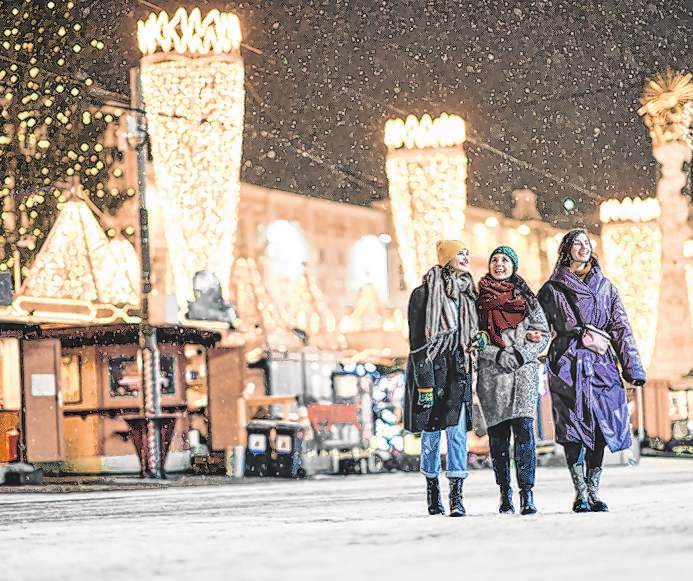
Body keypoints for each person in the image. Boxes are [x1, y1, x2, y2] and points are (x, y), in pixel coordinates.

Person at [537, 229, 646, 513]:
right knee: (572, 429)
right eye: (576, 243)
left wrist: (632, 366)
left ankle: (593, 490)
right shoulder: (552, 289)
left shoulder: (606, 287)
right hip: (568, 364)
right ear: (567, 250)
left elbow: (621, 327)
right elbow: (535, 326)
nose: (583, 247)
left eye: (586, 243)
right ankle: (580, 491)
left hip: (601, 365)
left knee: (600, 428)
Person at [404, 240, 479, 517]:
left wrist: (476, 341)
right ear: (447, 257)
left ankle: (457, 495)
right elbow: (416, 343)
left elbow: (472, 331)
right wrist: (424, 382)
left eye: (466, 252)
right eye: (460, 252)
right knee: (432, 435)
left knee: (457, 434)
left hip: (457, 370)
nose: (465, 257)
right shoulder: (423, 294)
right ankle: (432, 489)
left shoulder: (468, 294)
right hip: (432, 370)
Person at [475, 246, 550, 515]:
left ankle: (527, 494)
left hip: (523, 374)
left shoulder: (527, 298)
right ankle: (504, 493)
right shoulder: (479, 299)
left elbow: (543, 333)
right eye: (494, 259)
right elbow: (473, 338)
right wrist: (496, 354)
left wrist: (519, 352)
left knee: (524, 434)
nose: (499, 264)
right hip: (493, 376)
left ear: (513, 265)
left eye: (505, 260)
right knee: (498, 438)